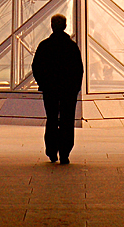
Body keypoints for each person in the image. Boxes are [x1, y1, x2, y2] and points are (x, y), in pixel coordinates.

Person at [32, 14, 83, 164]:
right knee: (67, 120)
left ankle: (52, 151)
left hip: (50, 89)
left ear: (52, 26)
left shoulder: (44, 46)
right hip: (68, 90)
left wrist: (43, 82)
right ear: (65, 26)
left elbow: (36, 67)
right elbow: (78, 70)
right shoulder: (71, 47)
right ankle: (65, 152)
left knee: (52, 119)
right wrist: (75, 88)